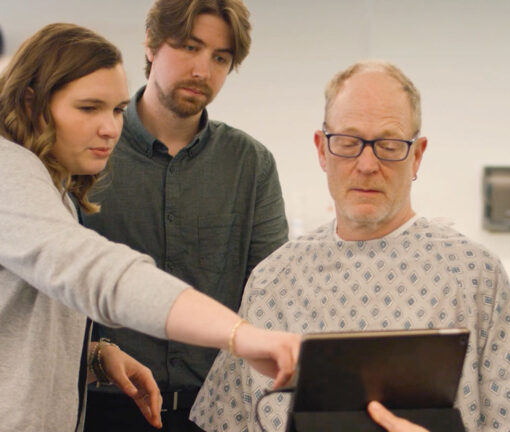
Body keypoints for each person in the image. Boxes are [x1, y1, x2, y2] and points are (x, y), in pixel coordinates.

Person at [189, 60, 510, 432]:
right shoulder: (273, 282)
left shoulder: (475, 276)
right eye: (348, 143)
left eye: (389, 145)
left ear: (417, 155)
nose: (366, 164)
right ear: (321, 149)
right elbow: (224, 420)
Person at [0, 23, 298, 432]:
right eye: (88, 108)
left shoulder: (59, 194)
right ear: (32, 103)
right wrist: (239, 335)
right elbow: (100, 273)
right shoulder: (6, 172)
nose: (109, 128)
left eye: (117, 110)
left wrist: (94, 357)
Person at [81, 0, 288, 430]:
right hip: (100, 404)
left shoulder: (250, 164)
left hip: (213, 411)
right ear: (152, 46)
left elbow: (271, 293)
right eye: (190, 47)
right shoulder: (90, 151)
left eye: (220, 58)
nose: (202, 70)